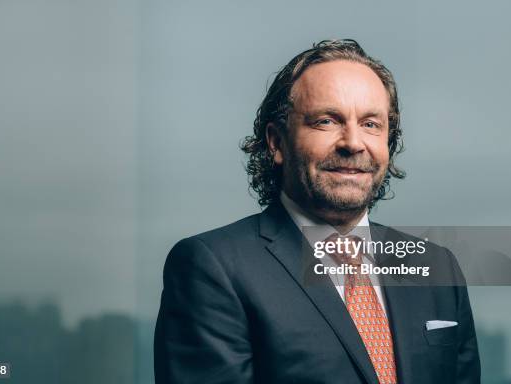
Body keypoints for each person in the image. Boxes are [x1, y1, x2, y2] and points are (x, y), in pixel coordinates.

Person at [154, 39, 480, 384]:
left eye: (371, 124)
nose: (353, 143)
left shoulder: (436, 267)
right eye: (326, 121)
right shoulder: (212, 267)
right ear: (276, 142)